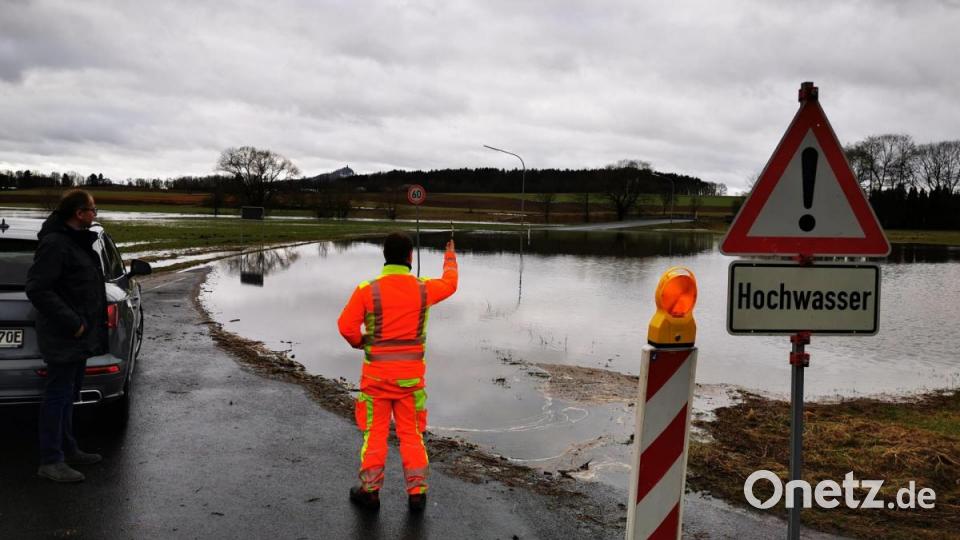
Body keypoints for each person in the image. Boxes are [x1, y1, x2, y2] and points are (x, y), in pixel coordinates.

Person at [337, 232, 458, 512]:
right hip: (410, 382)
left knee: (375, 435)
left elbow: (346, 326)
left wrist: (361, 342)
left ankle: (370, 492)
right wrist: (450, 256)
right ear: (410, 257)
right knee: (412, 434)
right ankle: (417, 493)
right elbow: (451, 284)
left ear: (384, 256)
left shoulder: (367, 290)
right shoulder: (423, 289)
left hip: (376, 381)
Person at [26, 189, 107, 483]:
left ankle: (69, 448)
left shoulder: (74, 241)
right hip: (65, 334)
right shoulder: (56, 244)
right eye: (92, 209)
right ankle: (51, 460)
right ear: (78, 213)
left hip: (77, 337)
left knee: (68, 395)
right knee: (57, 396)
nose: (95, 214)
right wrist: (74, 323)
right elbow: (37, 288)